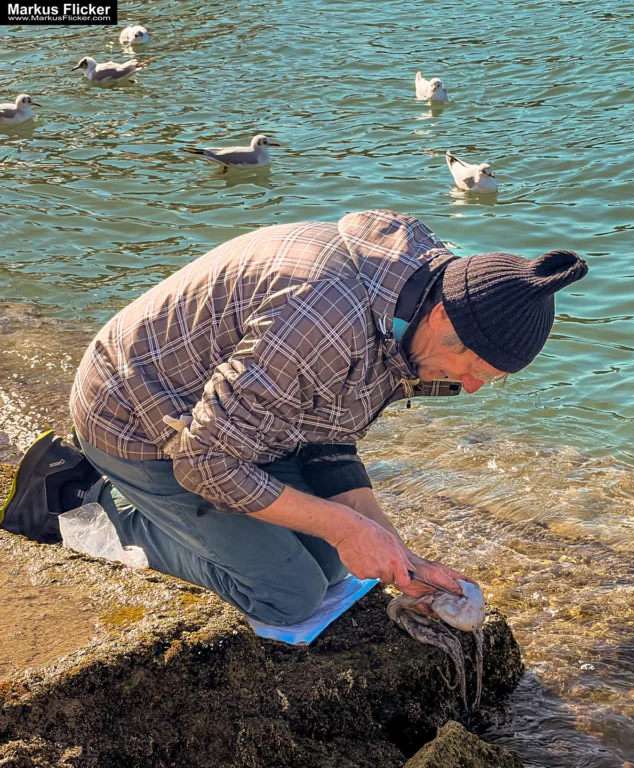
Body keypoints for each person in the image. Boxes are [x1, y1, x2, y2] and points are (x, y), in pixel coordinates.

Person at [0, 210, 588, 625]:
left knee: (337, 567)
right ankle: (80, 503)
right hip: (135, 419)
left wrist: (396, 553)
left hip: (235, 421)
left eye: (494, 378)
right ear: (439, 318)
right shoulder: (324, 317)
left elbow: (329, 438)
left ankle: (137, 506)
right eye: (474, 365)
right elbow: (206, 462)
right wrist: (343, 525)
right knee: (289, 593)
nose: (473, 385)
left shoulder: (410, 308)